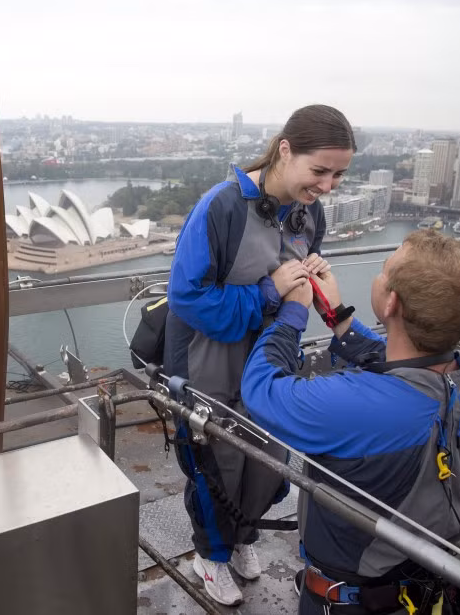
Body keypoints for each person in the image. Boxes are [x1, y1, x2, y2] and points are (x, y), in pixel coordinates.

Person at [241, 229, 460, 614]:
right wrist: (338, 315)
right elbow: (405, 363)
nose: (379, 277)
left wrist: (293, 312)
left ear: (391, 301)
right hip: (434, 581)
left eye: (383, 271)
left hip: (350, 600)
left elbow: (261, 387)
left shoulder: (349, 406)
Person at [164, 104, 356, 605]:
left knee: (267, 457)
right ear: (285, 150)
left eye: (339, 174)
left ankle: (243, 535)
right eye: (320, 171)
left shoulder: (309, 211)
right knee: (216, 462)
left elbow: (293, 282)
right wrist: (269, 293)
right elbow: (187, 298)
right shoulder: (222, 207)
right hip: (208, 357)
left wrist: (310, 278)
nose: (329, 185)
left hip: (271, 356)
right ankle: (211, 553)